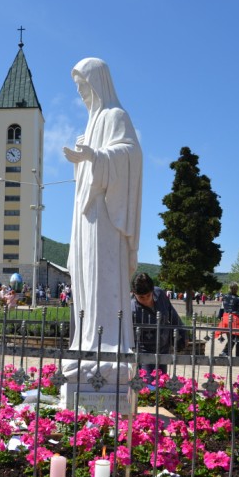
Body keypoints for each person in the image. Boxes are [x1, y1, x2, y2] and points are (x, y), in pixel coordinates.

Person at [62, 57, 142, 383]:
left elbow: (131, 155)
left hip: (107, 217)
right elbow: (86, 174)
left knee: (102, 277)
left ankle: (108, 348)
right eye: (78, 87)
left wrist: (93, 156)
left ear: (97, 83)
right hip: (86, 215)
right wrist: (82, 159)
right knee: (85, 281)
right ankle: (85, 344)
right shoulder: (92, 122)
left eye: (83, 85)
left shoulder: (115, 116)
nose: (81, 92)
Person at [131, 273, 185, 375]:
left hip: (164, 348)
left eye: (148, 295)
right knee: (148, 385)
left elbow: (172, 314)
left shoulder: (159, 294)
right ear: (134, 293)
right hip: (145, 352)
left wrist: (182, 333)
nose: (146, 299)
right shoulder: (131, 309)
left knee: (161, 381)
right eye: (142, 297)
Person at [215, 282, 239, 357]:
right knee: (236, 338)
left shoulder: (224, 297)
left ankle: (231, 354)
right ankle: (230, 353)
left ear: (229, 288)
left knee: (232, 337)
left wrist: (220, 318)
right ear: (237, 289)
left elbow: (222, 308)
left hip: (226, 318)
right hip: (236, 320)